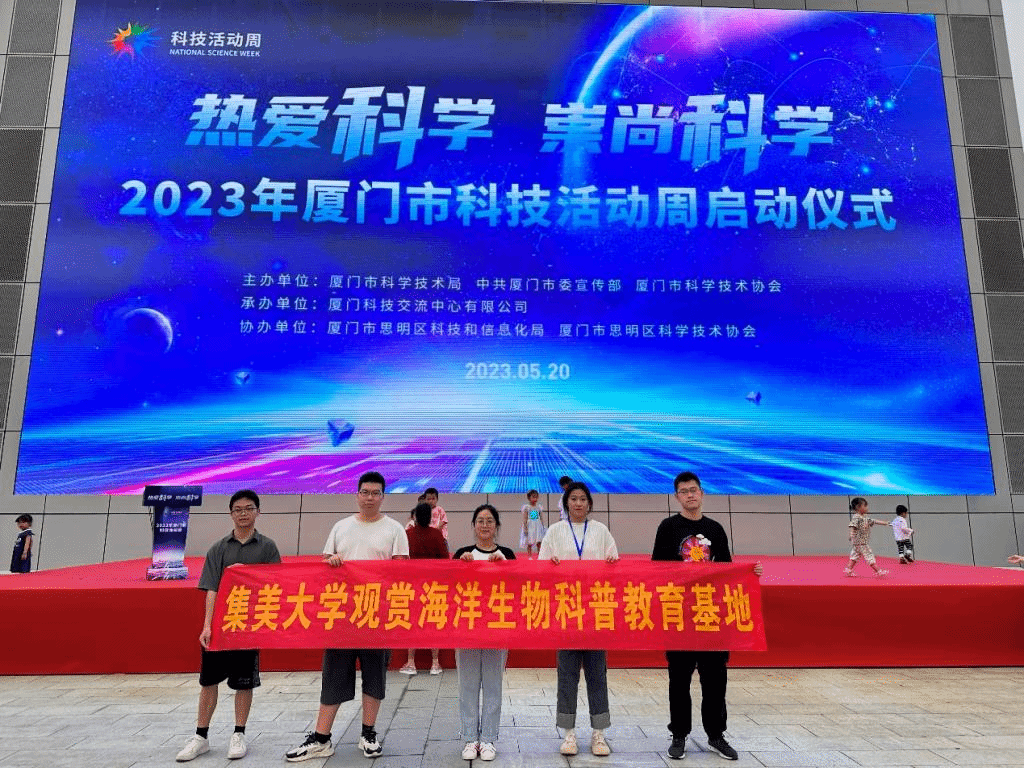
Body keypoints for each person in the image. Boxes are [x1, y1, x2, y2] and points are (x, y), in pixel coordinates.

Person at [285, 471, 410, 762]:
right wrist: (332, 562)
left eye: (375, 493)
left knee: (375, 677)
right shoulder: (341, 527)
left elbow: (401, 572)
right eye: (365, 492)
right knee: (334, 675)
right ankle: (321, 738)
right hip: (341, 615)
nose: (369, 498)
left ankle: (368, 733)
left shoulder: (394, 530)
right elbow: (324, 564)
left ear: (383, 497)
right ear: (357, 495)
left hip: (376, 616)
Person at [652, 471, 763, 762]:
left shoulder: (715, 528)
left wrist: (750, 573)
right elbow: (657, 569)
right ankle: (679, 734)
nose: (690, 495)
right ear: (677, 496)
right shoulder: (668, 527)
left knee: (715, 680)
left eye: (694, 490)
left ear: (701, 493)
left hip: (711, 616)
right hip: (680, 615)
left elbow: (727, 568)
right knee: (679, 680)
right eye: (684, 491)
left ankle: (716, 735)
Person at [176, 490, 282, 762]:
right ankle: (201, 736)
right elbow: (211, 589)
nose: (243, 513)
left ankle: (239, 734)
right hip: (222, 625)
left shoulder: (267, 547)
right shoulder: (218, 548)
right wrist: (207, 626)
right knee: (208, 681)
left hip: (249, 624)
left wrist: (248, 574)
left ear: (258, 511)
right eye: (238, 509)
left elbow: (277, 585)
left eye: (248, 508)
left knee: (243, 682)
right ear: (231, 514)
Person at [538, 481, 618, 757]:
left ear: (589, 503)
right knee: (567, 675)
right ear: (566, 503)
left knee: (597, 675)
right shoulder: (554, 531)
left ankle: (599, 733)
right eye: (573, 498)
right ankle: (569, 733)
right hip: (567, 612)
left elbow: (616, 567)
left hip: (595, 612)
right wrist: (550, 567)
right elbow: (541, 570)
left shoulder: (601, 531)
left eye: (583, 498)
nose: (578, 503)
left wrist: (611, 564)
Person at [452, 504, 517, 762]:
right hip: (467, 630)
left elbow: (518, 588)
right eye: (480, 520)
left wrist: (505, 567)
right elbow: (448, 588)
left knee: (493, 686)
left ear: (497, 525)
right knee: (467, 686)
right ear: (473, 525)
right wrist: (460, 567)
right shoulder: (462, 554)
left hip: (497, 630)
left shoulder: (507, 554)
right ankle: (470, 737)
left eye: (490, 521)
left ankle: (488, 738)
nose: (485, 525)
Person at [401, 502, 449, 676]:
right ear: (430, 517)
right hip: (433, 586)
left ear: (414, 516)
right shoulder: (436, 535)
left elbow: (401, 560)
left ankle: (411, 662)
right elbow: (445, 560)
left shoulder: (407, 535)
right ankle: (435, 663)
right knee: (433, 622)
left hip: (412, 586)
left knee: (413, 622)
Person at [844, 498, 889, 577]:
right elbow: (853, 526)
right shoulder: (856, 517)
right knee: (869, 555)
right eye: (865, 506)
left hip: (858, 542)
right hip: (861, 542)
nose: (867, 508)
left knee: (855, 556)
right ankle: (878, 571)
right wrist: (851, 535)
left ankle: (848, 569)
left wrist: (885, 523)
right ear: (858, 507)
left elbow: (874, 521)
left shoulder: (865, 518)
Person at [520, 489, 545, 558]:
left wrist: (542, 526)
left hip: (538, 525)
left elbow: (541, 517)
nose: (535, 499)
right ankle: (530, 556)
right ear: (529, 498)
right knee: (529, 542)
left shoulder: (539, 507)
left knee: (539, 541)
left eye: (536, 497)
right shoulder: (527, 507)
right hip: (530, 525)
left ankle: (539, 555)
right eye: (533, 497)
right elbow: (525, 518)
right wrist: (525, 528)